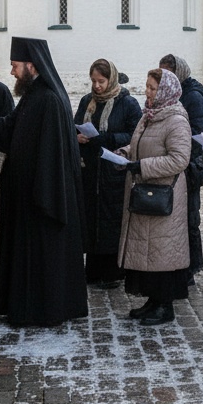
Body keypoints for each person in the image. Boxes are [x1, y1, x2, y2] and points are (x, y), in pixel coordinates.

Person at [0, 36, 87, 325]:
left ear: (31, 66)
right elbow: (11, 125)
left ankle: (41, 311)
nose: (12, 72)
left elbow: (49, 155)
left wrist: (38, 192)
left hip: (41, 195)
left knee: (42, 256)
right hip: (30, 191)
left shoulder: (47, 98)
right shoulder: (35, 95)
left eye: (14, 65)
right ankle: (27, 307)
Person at [117, 68, 192, 326]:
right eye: (147, 87)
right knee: (147, 251)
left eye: (152, 88)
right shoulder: (148, 116)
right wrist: (125, 154)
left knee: (162, 251)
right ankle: (152, 301)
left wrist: (143, 167)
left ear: (165, 91)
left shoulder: (176, 120)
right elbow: (139, 144)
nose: (147, 92)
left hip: (163, 195)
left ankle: (165, 305)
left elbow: (180, 159)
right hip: (144, 193)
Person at [74, 58, 142, 288]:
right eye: (93, 81)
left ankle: (113, 272)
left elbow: (135, 135)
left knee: (112, 220)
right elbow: (74, 125)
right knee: (92, 219)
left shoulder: (127, 103)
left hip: (114, 171)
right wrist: (79, 137)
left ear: (111, 79)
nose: (97, 86)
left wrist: (107, 138)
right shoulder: (87, 101)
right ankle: (92, 269)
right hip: (91, 170)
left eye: (101, 81)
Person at [160, 54, 203, 283]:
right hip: (172, 163)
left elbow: (197, 132)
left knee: (190, 219)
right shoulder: (172, 94)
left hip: (188, 165)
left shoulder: (193, 96)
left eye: (168, 73)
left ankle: (192, 267)